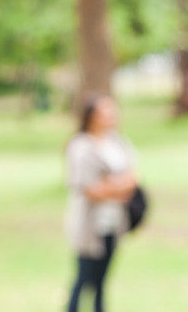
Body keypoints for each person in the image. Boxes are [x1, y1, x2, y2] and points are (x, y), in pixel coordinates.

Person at [65, 94, 138, 312]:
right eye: (105, 112)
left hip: (114, 221)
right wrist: (117, 187)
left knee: (102, 280)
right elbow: (88, 189)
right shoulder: (81, 145)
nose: (111, 116)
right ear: (91, 116)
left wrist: (108, 185)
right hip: (89, 225)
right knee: (84, 277)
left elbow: (133, 180)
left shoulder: (118, 142)